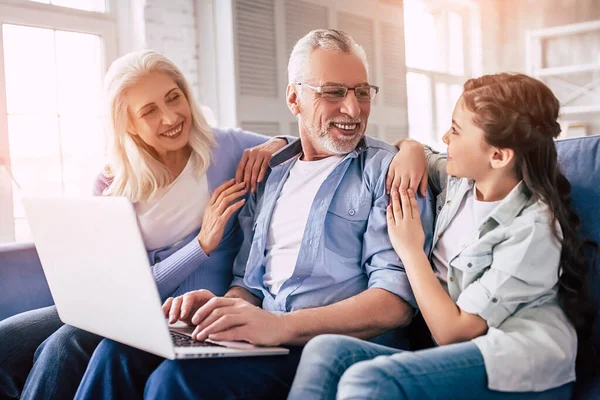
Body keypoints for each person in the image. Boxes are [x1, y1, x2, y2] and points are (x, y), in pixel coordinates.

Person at [73, 29, 434, 400]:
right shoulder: (268, 174)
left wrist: (279, 325)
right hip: (267, 339)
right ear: (294, 98)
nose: (353, 109)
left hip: (331, 349)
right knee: (117, 353)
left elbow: (395, 304)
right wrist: (220, 308)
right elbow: (249, 283)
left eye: (361, 91)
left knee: (176, 380)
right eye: (333, 92)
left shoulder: (388, 172)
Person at [287, 73, 597, 400]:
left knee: (370, 380)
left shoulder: (533, 229)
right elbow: (416, 149)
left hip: (518, 367)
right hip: (464, 358)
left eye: (457, 130)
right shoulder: (461, 183)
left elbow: (453, 332)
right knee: (326, 350)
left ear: (499, 156)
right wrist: (410, 150)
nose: (446, 137)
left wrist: (411, 251)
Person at [0, 49, 288, 400]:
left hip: (186, 309)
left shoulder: (224, 148)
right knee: (6, 341)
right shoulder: (111, 183)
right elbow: (125, 290)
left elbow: (305, 145)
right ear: (128, 124)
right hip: (123, 306)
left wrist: (276, 143)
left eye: (174, 98)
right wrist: (200, 246)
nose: (170, 117)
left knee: (65, 345)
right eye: (149, 111)